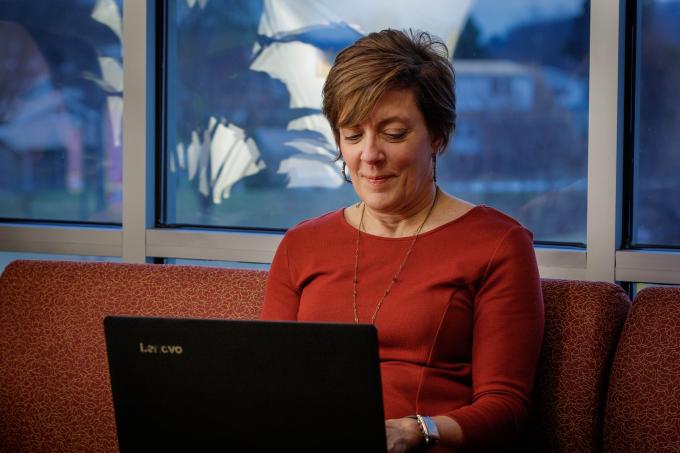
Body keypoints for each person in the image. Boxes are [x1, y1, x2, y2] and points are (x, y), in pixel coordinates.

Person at [261, 29, 544, 452]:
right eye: (353, 135)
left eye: (393, 134)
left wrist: (417, 430)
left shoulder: (498, 244)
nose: (369, 155)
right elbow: (264, 384)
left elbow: (506, 408)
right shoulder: (301, 245)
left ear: (439, 137)